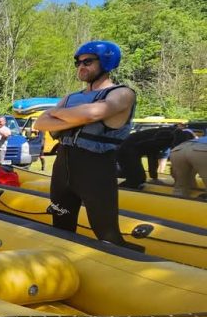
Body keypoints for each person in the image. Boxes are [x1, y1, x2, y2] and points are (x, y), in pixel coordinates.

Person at [34, 41, 136, 246]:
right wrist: (72, 116)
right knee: (60, 224)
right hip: (63, 168)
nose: (81, 66)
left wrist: (57, 114)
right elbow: (40, 123)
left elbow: (93, 114)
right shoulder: (70, 97)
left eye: (88, 62)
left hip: (96, 169)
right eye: (78, 62)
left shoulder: (122, 93)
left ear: (106, 62)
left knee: (107, 233)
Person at [116, 126, 193, 189]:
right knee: (136, 179)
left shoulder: (173, 133)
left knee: (140, 178)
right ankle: (118, 189)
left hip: (133, 147)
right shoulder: (165, 138)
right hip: (127, 149)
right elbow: (152, 156)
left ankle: (120, 175)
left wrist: (154, 176)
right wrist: (154, 178)